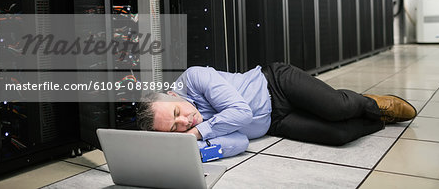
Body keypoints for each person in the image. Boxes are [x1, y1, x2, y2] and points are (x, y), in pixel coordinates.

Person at [136, 63, 417, 158]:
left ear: (173, 94)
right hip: (275, 122)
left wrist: (199, 132)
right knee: (338, 135)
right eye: (176, 128)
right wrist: (193, 148)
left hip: (276, 84)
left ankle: (373, 103)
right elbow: (240, 141)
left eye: (176, 113)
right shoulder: (192, 134)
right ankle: (380, 118)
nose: (185, 121)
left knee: (336, 107)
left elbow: (241, 113)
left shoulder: (195, 76)